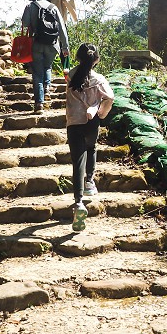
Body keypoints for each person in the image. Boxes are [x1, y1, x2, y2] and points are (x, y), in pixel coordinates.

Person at [65, 43, 114, 232]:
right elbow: (110, 97)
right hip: (91, 122)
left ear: (78, 58)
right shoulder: (99, 79)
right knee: (91, 148)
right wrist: (100, 112)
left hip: (74, 122)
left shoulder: (70, 75)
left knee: (77, 161)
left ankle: (78, 203)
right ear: (97, 60)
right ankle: (90, 182)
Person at [21, 0, 69, 113]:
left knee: (37, 73)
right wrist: (65, 47)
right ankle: (47, 88)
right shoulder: (53, 7)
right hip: (52, 44)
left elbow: (25, 23)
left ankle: (39, 105)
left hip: (36, 43)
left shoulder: (30, 6)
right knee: (47, 66)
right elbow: (62, 28)